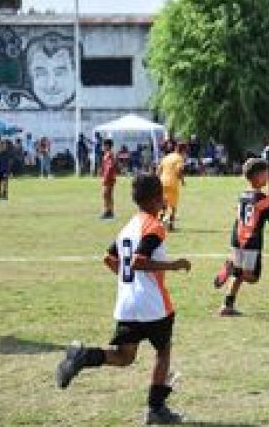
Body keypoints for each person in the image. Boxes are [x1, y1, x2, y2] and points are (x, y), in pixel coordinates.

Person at [55, 173, 193, 425]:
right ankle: (155, 408)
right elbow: (140, 261)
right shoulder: (154, 226)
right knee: (163, 352)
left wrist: (127, 278)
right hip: (153, 305)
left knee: (124, 356)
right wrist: (174, 265)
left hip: (127, 303)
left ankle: (84, 356)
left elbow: (109, 257)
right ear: (155, 198)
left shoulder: (128, 226)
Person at [213, 159, 269, 316]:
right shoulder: (261, 198)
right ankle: (232, 269)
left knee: (238, 275)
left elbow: (258, 206)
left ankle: (227, 305)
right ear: (258, 176)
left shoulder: (243, 194)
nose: (268, 176)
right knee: (252, 276)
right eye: (266, 174)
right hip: (251, 240)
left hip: (237, 237)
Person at [157, 143, 187, 231]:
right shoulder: (179, 158)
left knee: (163, 204)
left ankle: (159, 222)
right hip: (172, 183)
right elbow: (179, 170)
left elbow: (159, 169)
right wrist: (182, 180)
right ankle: (170, 225)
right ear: (183, 150)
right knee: (173, 206)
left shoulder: (167, 157)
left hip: (162, 182)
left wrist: (157, 179)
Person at [99, 139, 119, 219]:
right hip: (109, 177)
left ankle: (108, 211)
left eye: (104, 145)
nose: (103, 147)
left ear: (107, 146)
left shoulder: (109, 154)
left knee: (106, 194)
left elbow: (110, 167)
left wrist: (106, 177)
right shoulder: (107, 154)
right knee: (108, 195)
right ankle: (109, 211)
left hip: (109, 178)